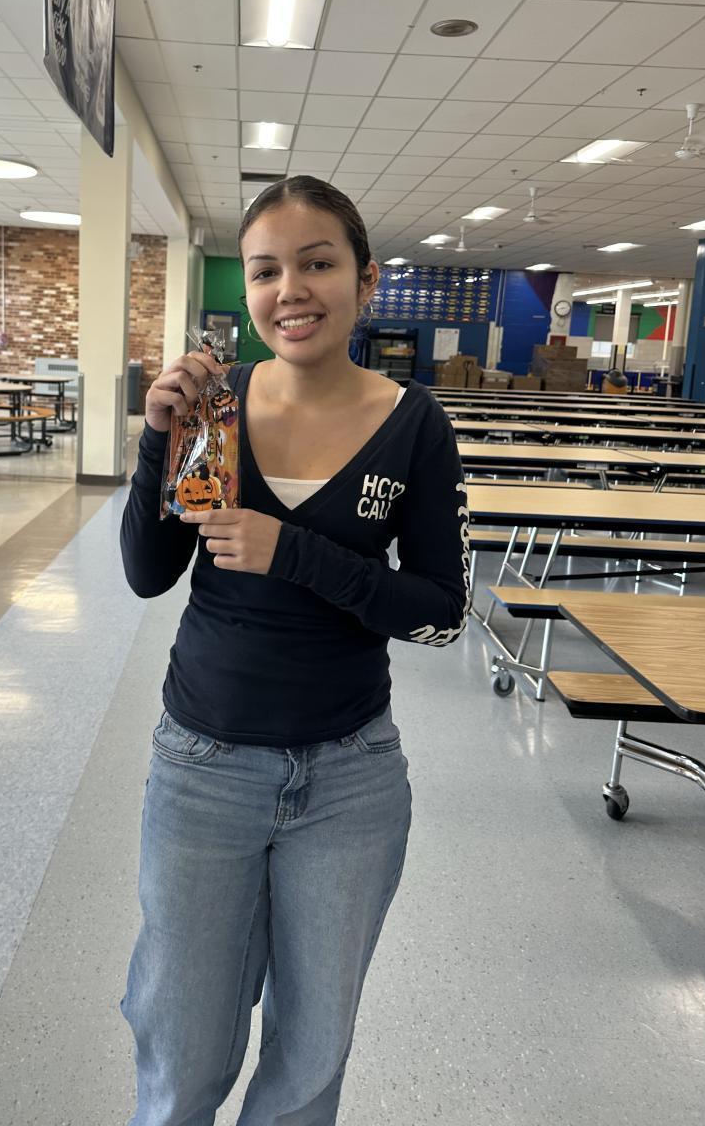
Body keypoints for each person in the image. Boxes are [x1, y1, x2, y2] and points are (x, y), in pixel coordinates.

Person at [119, 176, 471, 1125]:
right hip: (203, 767)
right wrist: (155, 442)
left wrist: (297, 555)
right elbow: (148, 574)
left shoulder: (415, 423)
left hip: (351, 780)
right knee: (181, 1048)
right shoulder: (214, 406)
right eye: (266, 270)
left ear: (366, 278)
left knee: (311, 1058)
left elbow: (441, 613)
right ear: (249, 289)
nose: (291, 290)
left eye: (318, 263)